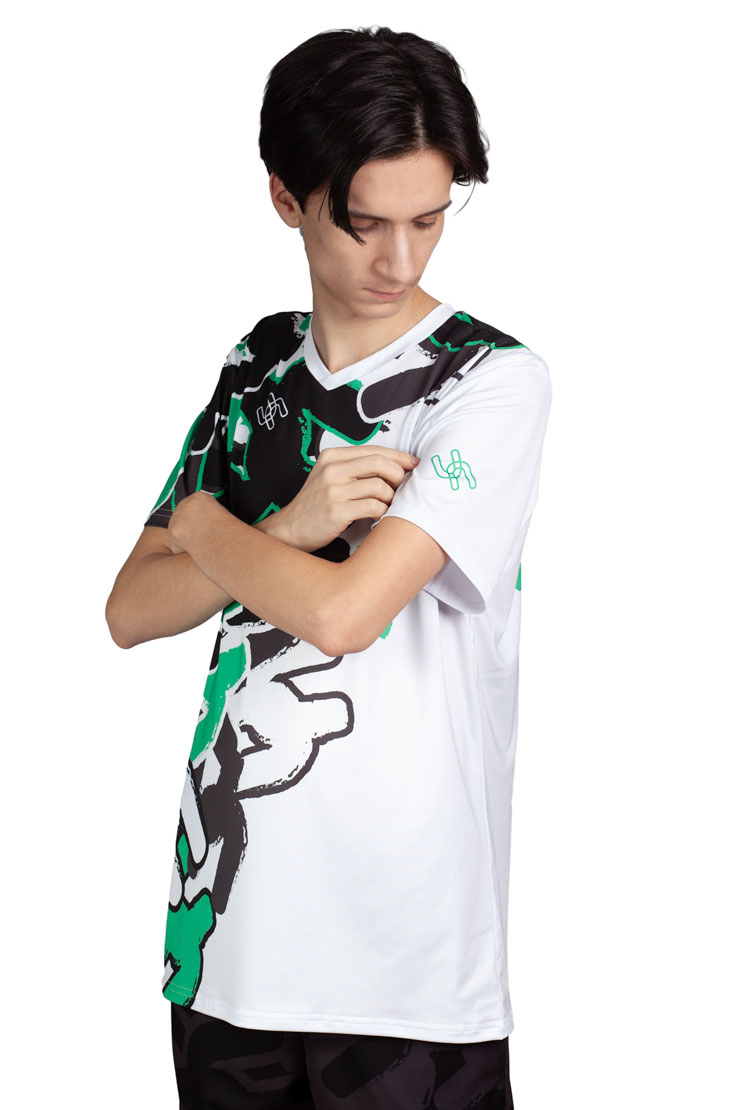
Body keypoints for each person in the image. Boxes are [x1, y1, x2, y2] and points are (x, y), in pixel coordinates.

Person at [106, 24, 552, 1110]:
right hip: (225, 938)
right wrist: (293, 524)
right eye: (365, 224)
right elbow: (129, 608)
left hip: (405, 964)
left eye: (428, 220)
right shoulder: (256, 364)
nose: (400, 262)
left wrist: (208, 523)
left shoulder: (487, 382)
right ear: (285, 198)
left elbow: (348, 615)